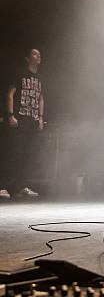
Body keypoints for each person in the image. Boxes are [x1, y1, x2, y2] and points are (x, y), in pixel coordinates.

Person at [5, 48, 44, 198]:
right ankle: (8, 186)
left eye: (39, 54)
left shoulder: (40, 77)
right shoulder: (20, 73)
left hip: (33, 119)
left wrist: (40, 117)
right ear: (28, 58)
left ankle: (22, 186)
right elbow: (10, 94)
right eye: (34, 53)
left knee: (28, 155)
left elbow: (41, 98)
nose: (38, 55)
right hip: (20, 118)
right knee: (16, 153)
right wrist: (10, 115)